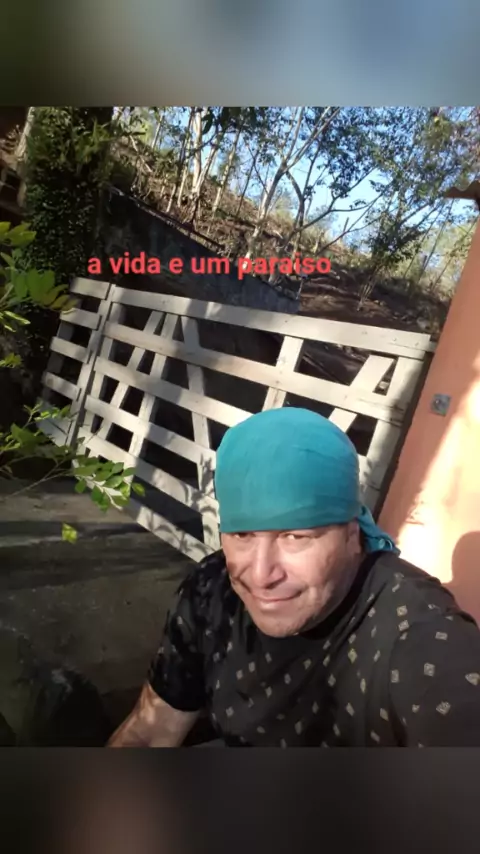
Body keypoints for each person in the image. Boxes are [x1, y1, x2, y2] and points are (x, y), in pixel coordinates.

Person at [109, 407, 480, 748]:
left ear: (352, 535)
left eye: (295, 537)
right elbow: (150, 731)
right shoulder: (211, 587)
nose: (260, 575)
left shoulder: (421, 637)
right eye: (242, 534)